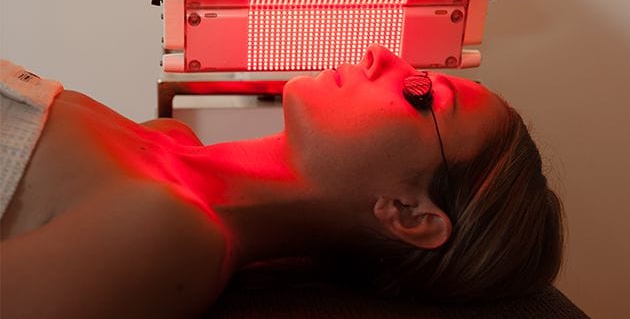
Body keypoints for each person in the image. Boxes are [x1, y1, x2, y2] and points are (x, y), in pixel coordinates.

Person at [0, 45, 563, 318]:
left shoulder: (169, 234)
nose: (380, 55)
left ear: (409, 214)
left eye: (421, 94)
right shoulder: (171, 139)